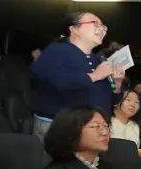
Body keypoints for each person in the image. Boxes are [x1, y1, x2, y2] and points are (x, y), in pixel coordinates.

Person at [30, 11, 125, 140]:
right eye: (95, 23)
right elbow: (59, 82)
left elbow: (111, 100)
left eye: (104, 27)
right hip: (60, 127)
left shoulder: (98, 59)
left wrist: (117, 83)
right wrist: (95, 76)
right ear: (74, 29)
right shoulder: (56, 50)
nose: (102, 29)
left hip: (92, 129)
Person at [109, 90, 141, 156]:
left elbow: (140, 149)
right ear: (116, 101)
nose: (133, 105)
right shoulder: (106, 122)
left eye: (137, 102)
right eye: (128, 100)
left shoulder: (136, 126)